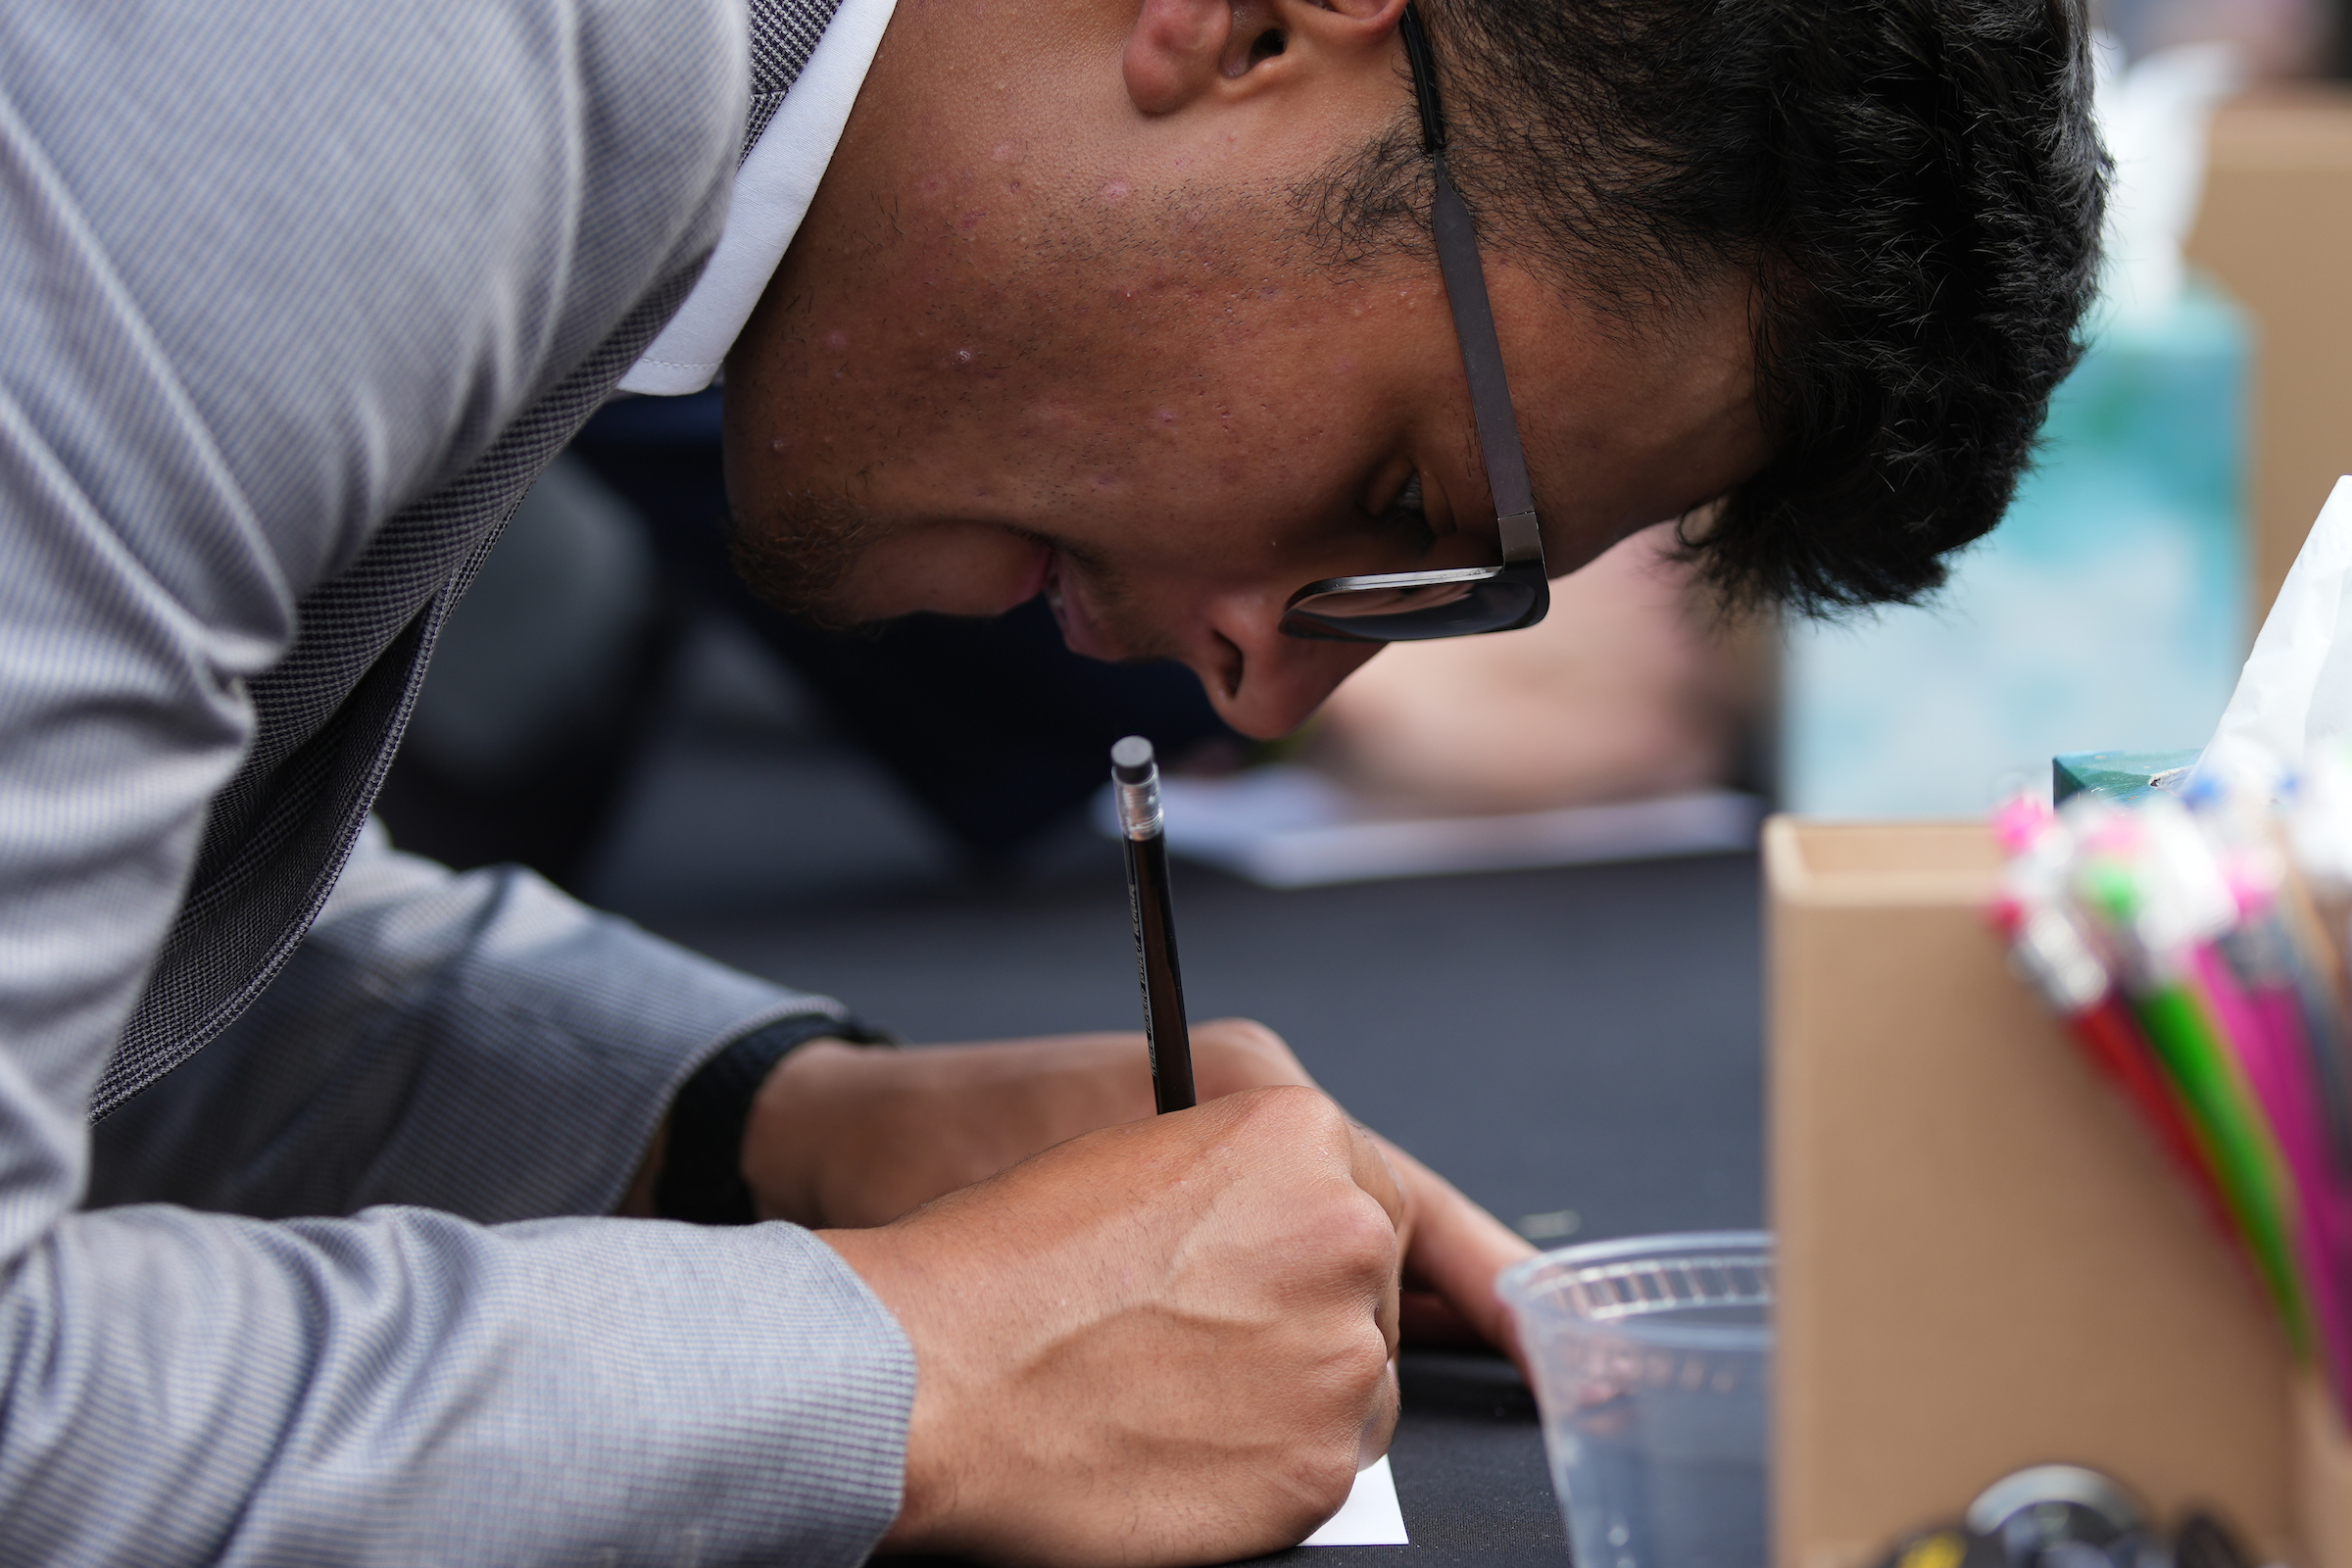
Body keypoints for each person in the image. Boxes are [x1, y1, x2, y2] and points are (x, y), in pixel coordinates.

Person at [0, 0, 2100, 1563]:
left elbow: (110, 960)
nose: (1268, 685)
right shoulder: (421, 65)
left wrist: (758, 1127)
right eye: (1395, 492)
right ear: (1252, 27)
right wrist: (913, 1366)